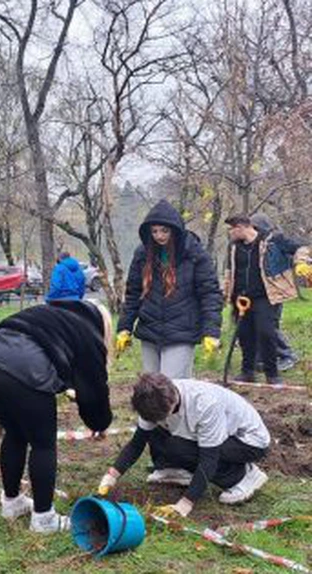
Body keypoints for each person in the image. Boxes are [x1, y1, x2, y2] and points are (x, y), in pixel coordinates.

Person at [0, 300, 114, 533]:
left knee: (15, 434)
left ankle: (11, 502)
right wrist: (101, 422)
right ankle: (43, 518)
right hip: (25, 369)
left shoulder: (52, 312)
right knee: (43, 444)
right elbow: (95, 392)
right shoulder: (89, 333)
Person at [97, 373, 271, 517]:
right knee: (158, 432)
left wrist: (185, 504)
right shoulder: (150, 397)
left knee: (184, 450)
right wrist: (111, 476)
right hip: (215, 434)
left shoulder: (205, 405)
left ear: (171, 405)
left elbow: (209, 459)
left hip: (247, 441)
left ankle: (244, 477)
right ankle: (176, 470)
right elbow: (137, 442)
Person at [117, 200, 223, 378]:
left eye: (164, 230)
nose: (159, 236)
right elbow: (133, 293)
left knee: (173, 388)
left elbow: (210, 294)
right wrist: (124, 327)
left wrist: (211, 331)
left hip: (181, 330)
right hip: (150, 330)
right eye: (154, 231)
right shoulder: (143, 254)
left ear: (175, 230)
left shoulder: (195, 254)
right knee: (152, 389)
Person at [224, 214, 312, 384]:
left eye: (231, 229)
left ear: (241, 227)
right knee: (244, 335)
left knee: (266, 333)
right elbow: (230, 271)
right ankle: (247, 372)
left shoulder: (272, 240)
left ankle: (272, 374)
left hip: (265, 297)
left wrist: (301, 263)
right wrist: (226, 292)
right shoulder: (234, 247)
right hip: (241, 297)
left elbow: (302, 248)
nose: (230, 233)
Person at [250, 213, 300, 373]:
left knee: (268, 326)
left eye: (255, 228)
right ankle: (261, 359)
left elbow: (300, 249)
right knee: (255, 325)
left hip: (275, 291)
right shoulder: (250, 243)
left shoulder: (277, 240)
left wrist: (301, 263)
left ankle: (287, 355)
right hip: (255, 293)